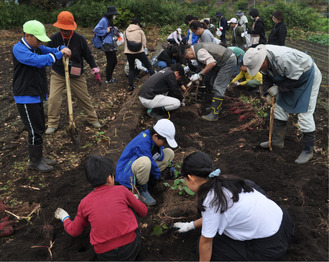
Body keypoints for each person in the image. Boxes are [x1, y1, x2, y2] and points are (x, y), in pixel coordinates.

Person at [173, 151, 294, 261]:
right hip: (285, 223)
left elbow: (206, 243)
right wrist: (190, 226)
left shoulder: (212, 201)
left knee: (211, 247)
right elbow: (213, 218)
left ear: (191, 178)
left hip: (270, 248)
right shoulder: (227, 181)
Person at [54, 155, 147, 261]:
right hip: (130, 248)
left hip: (105, 255)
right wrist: (134, 199)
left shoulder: (85, 202)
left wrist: (64, 218)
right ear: (109, 178)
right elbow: (143, 211)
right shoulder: (121, 190)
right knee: (131, 207)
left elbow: (75, 231)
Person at [243, 44, 322, 164]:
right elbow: (266, 77)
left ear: (264, 60)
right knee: (279, 107)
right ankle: (276, 141)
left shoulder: (284, 58)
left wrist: (279, 88)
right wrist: (267, 92)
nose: (259, 70)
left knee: (304, 113)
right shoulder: (261, 57)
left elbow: (296, 78)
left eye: (259, 67)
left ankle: (308, 150)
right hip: (288, 79)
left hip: (306, 77)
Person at [12, 20, 71, 172]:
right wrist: (58, 54)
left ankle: (39, 157)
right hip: (26, 96)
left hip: (36, 95)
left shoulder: (36, 47)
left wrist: (61, 47)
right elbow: (38, 61)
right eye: (38, 39)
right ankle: (34, 161)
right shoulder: (19, 49)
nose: (40, 42)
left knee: (39, 127)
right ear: (27, 35)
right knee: (33, 130)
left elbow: (48, 49)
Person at [45, 11, 101, 135]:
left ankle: (93, 119)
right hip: (58, 72)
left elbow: (88, 55)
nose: (65, 31)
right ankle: (52, 123)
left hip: (76, 73)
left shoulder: (79, 39)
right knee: (54, 98)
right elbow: (47, 53)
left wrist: (95, 69)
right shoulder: (54, 39)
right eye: (63, 29)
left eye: (67, 29)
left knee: (83, 96)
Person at [115, 119, 177, 205]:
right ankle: (141, 189)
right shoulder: (143, 141)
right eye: (165, 141)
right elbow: (150, 162)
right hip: (127, 172)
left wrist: (171, 166)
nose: (165, 144)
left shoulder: (154, 139)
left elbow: (161, 153)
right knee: (145, 162)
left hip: (142, 166)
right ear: (155, 136)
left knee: (169, 152)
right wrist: (158, 176)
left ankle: (148, 178)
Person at [184, 42, 236, 121]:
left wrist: (199, 74)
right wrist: (199, 77)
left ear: (189, 50)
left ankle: (214, 114)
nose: (190, 59)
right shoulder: (196, 50)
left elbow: (211, 63)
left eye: (188, 56)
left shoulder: (199, 52)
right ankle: (216, 106)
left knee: (218, 86)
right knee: (210, 81)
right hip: (222, 61)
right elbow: (205, 66)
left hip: (228, 61)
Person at [124, 17, 155, 92]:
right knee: (149, 66)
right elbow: (144, 43)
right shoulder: (140, 31)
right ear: (137, 24)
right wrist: (142, 49)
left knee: (131, 69)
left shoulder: (125, 31)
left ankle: (131, 86)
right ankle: (154, 82)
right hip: (139, 51)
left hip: (129, 52)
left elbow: (125, 42)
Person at [94, 6, 120, 84]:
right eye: (114, 14)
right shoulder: (104, 20)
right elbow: (96, 29)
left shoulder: (108, 20)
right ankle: (108, 79)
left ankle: (109, 78)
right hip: (106, 44)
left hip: (110, 43)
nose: (114, 16)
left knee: (114, 61)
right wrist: (106, 31)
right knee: (111, 61)